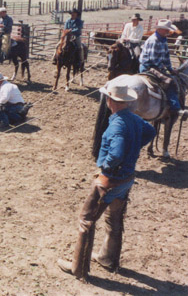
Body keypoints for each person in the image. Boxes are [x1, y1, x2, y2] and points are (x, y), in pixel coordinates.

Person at [57, 83, 156, 281]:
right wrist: (133, 150)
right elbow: (150, 132)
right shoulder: (135, 119)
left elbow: (116, 153)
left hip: (110, 180)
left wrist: (106, 166)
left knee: (86, 219)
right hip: (127, 178)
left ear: (110, 101)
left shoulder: (117, 124)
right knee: (114, 219)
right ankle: (108, 259)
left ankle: (78, 269)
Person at [139, 19, 188, 119]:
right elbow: (153, 59)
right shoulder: (154, 40)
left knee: (172, 77)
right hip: (149, 67)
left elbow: (166, 57)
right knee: (170, 82)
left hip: (155, 66)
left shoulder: (163, 40)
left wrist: (170, 69)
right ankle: (176, 108)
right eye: (166, 30)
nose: (168, 32)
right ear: (160, 29)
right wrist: (163, 70)